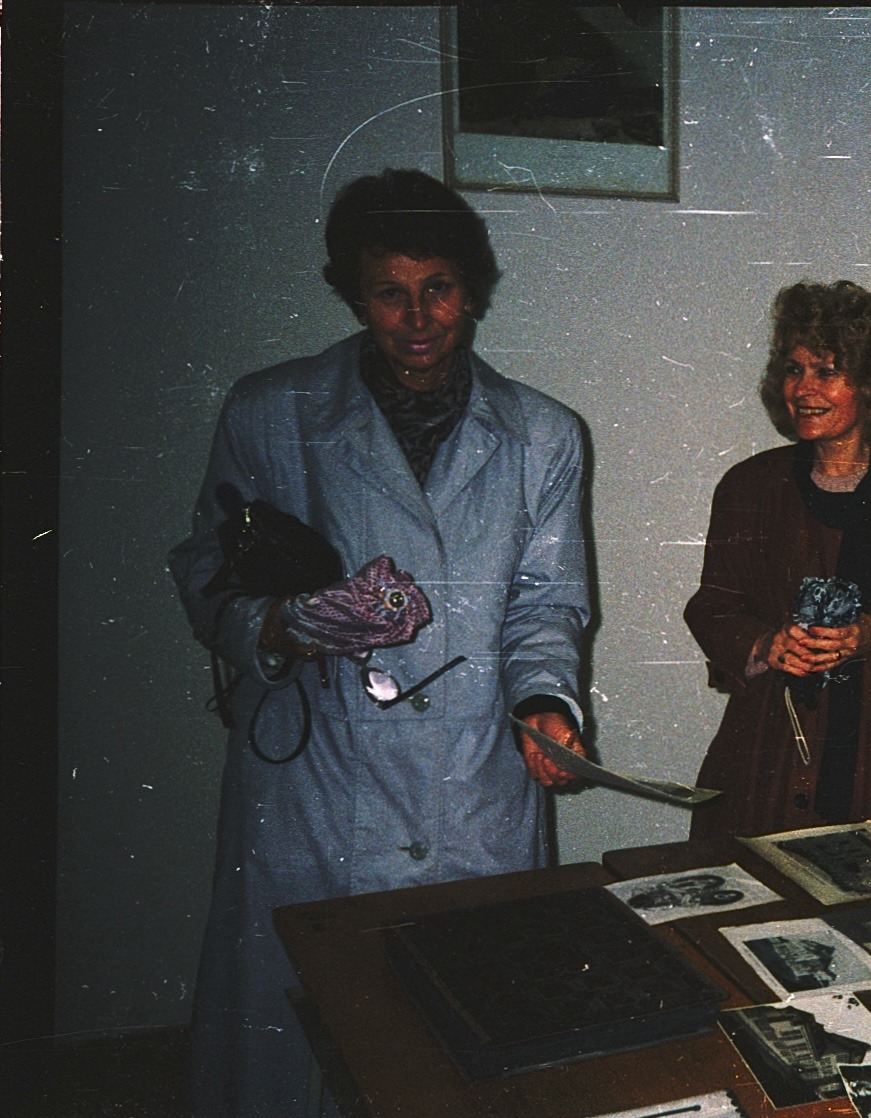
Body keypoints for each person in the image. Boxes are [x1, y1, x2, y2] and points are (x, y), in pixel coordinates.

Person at [168, 168, 592, 1115]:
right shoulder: (269, 412)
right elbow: (205, 570)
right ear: (354, 294)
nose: (416, 318)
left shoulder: (544, 436)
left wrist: (543, 705)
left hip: (472, 782)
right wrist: (280, 625)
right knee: (298, 1053)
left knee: (460, 1048)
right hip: (316, 784)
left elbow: (547, 605)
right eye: (388, 292)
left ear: (471, 290)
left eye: (437, 288)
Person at [684, 281, 871, 843]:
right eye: (794, 370)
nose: (804, 389)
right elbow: (713, 607)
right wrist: (765, 644)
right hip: (763, 768)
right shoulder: (750, 486)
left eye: (828, 370)